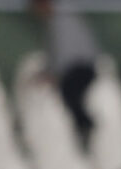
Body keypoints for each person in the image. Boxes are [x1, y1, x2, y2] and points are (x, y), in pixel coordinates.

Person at [30, 0, 99, 138]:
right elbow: (55, 55)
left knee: (69, 92)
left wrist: (53, 75)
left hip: (83, 66)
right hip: (77, 66)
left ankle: (86, 127)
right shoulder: (55, 21)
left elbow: (65, 53)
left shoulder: (63, 19)